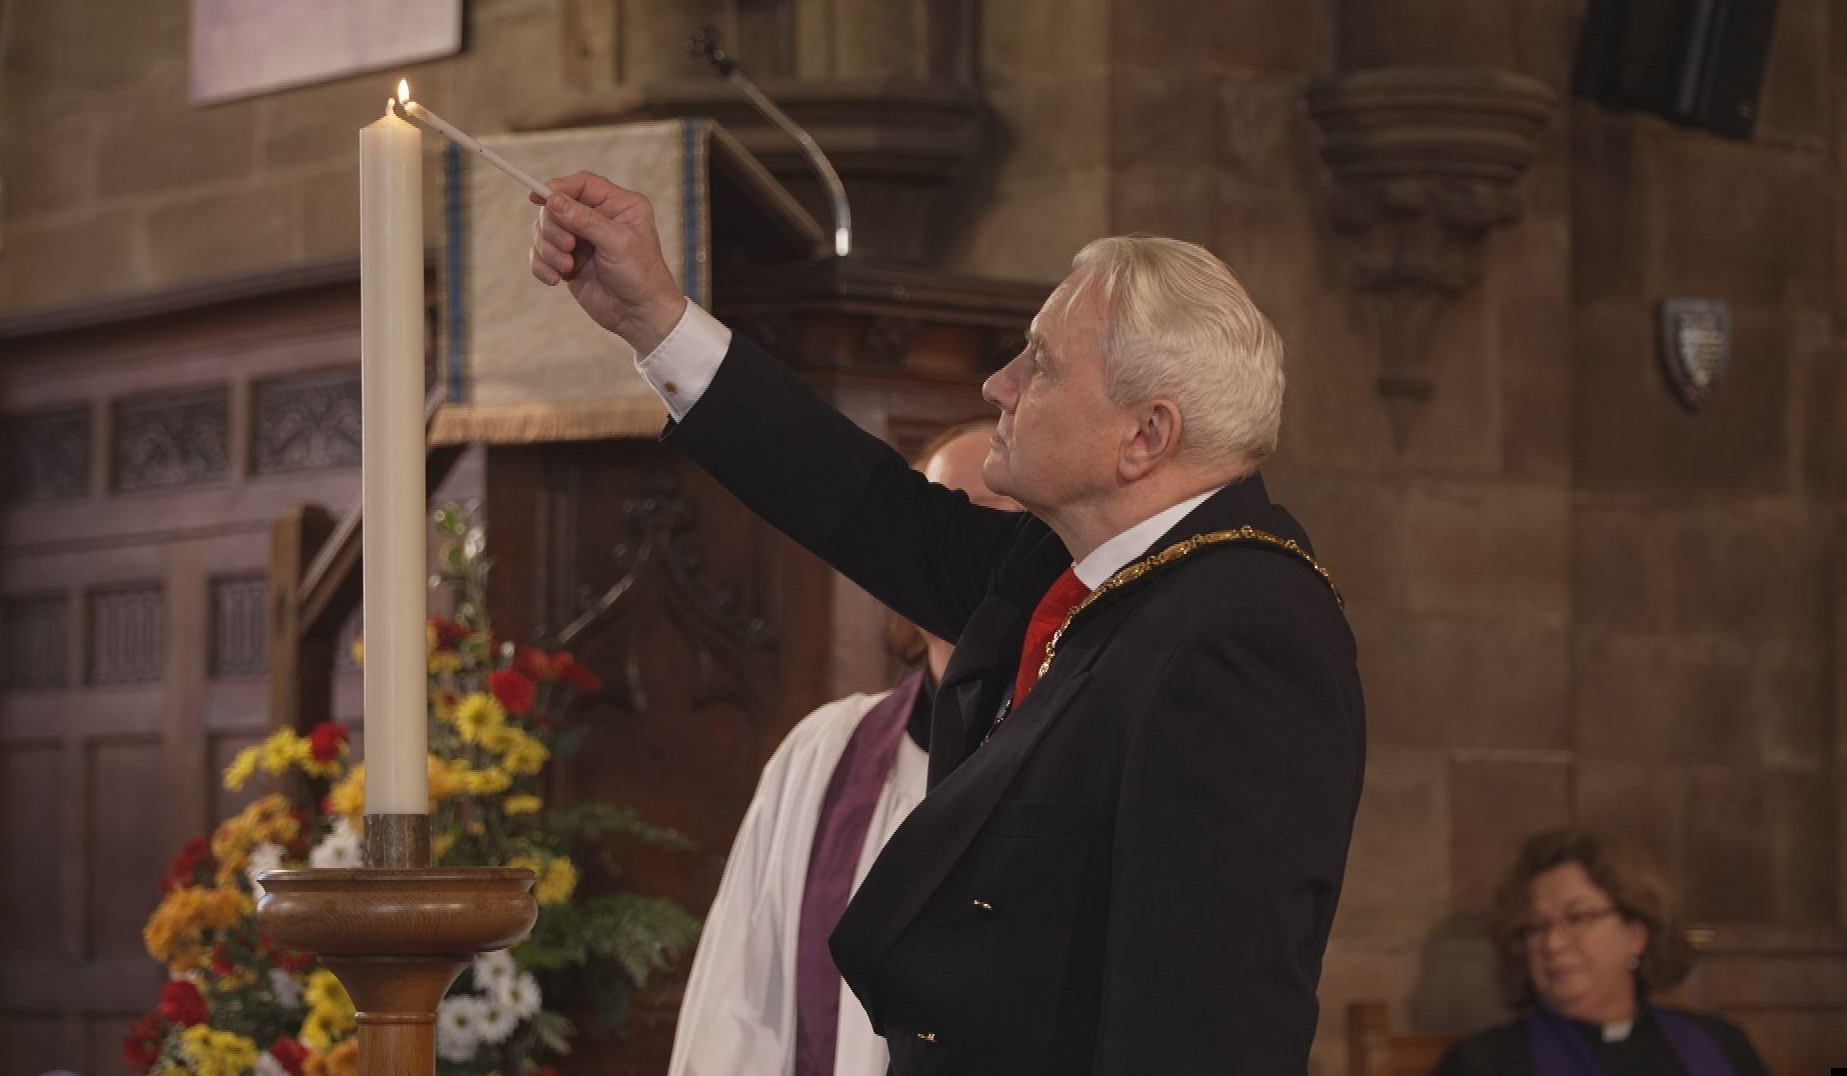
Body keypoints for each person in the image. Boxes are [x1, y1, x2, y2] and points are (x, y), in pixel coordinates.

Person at [527, 172, 1365, 1073]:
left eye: (1040, 362)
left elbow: (1206, 1028)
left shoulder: (1244, 631)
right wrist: (655, 315)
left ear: (1146, 436)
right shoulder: (1073, 564)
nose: (997, 384)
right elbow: (860, 500)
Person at [668, 421, 1021, 1076]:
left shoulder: (1076, 748)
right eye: (945, 522)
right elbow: (741, 1009)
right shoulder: (826, 756)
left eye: (997, 524)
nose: (962, 553)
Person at [1436, 829, 1768, 1076]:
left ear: (1634, 936)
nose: (1552, 944)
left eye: (1577, 918)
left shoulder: (1720, 1044)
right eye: (1536, 927)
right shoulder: (1481, 1065)